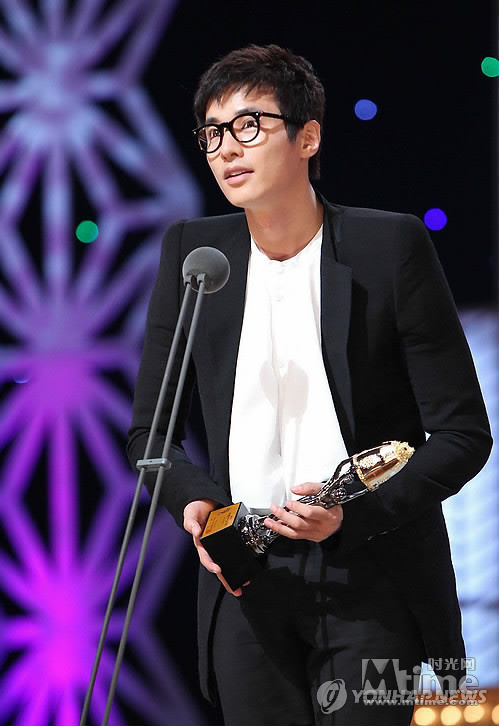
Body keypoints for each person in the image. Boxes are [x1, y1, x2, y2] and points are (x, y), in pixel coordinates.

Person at [127, 44, 492, 725]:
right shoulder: (194, 254)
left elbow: (463, 434)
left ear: (308, 137)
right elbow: (151, 432)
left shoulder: (388, 247)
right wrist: (196, 504)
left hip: (370, 576)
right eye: (211, 133)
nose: (226, 148)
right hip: (245, 579)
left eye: (249, 125)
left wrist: (357, 515)